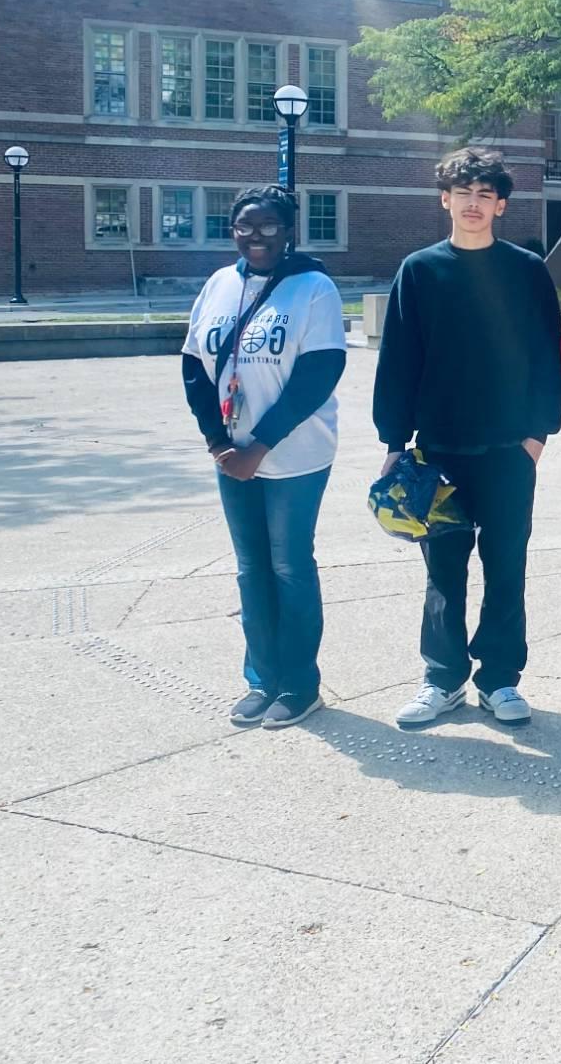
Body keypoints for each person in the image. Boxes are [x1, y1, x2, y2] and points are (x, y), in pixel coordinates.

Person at [378, 148, 561, 730]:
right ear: (445, 200)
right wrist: (393, 443)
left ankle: (500, 680)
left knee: (506, 566)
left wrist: (537, 435)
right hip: (439, 449)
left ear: (502, 205)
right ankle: (443, 679)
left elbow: (545, 355)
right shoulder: (420, 270)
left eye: (486, 194)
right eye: (464, 192)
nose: (474, 203)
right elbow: (400, 361)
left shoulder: (526, 270)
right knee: (444, 571)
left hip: (510, 451)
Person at [182, 185, 346, 731]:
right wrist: (217, 442)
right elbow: (193, 368)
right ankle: (261, 679)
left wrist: (260, 446)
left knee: (288, 565)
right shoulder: (219, 284)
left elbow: (316, 376)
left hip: (294, 456)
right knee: (251, 568)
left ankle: (300, 685)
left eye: (269, 226)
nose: (256, 236)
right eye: (245, 227)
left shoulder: (312, 288)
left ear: (289, 230)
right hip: (230, 455)